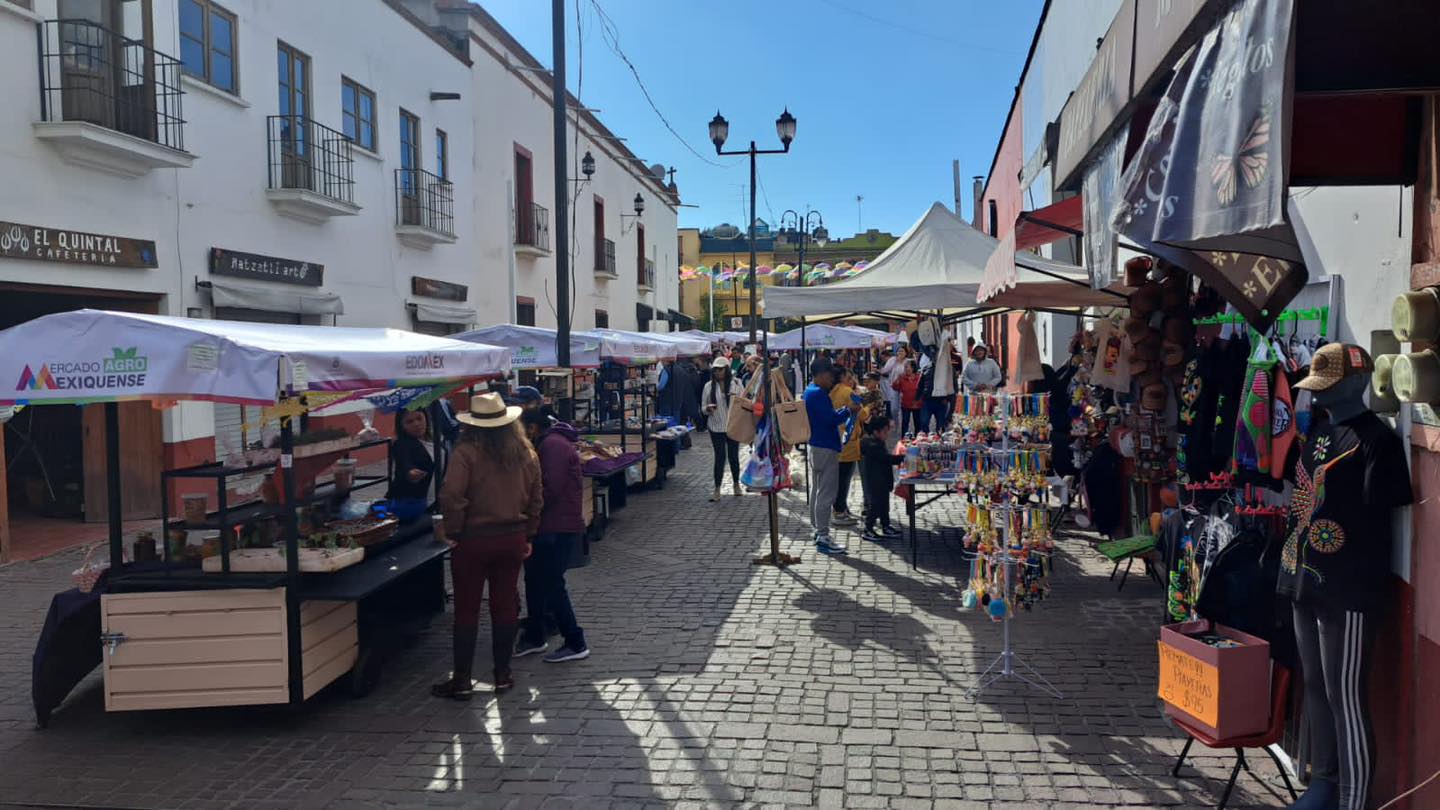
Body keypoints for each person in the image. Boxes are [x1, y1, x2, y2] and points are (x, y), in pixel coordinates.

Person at [433, 393, 543, 699]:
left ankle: (463, 680)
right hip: (512, 537)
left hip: (473, 539)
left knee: (467, 607)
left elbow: (452, 494)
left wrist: (454, 530)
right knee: (505, 604)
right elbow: (536, 498)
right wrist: (529, 534)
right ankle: (502, 675)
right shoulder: (525, 451)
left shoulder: (466, 452)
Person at [515, 409, 590, 663]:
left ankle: (575, 640)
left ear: (533, 428)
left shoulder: (552, 446)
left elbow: (550, 489)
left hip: (555, 527)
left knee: (552, 583)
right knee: (535, 581)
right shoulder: (550, 443)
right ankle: (535, 636)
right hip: (548, 526)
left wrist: (523, 506)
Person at [805, 357, 860, 555]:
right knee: (826, 493)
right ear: (821, 375)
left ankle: (817, 530)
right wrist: (848, 410)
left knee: (817, 491)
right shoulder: (818, 393)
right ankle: (823, 534)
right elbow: (830, 419)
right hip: (825, 446)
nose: (831, 380)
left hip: (816, 445)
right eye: (829, 376)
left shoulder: (810, 391)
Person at [701, 356, 745, 500]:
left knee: (733, 457)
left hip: (732, 426)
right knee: (720, 457)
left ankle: (736, 484)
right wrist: (707, 408)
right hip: (716, 426)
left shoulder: (736, 384)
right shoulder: (708, 386)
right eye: (715, 370)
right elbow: (702, 407)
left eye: (720, 369)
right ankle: (717, 489)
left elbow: (744, 403)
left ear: (726, 370)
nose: (717, 372)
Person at [859, 414, 904, 542]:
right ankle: (868, 528)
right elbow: (886, 459)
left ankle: (886, 525)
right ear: (876, 432)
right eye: (885, 431)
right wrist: (903, 458)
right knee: (875, 506)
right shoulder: (872, 446)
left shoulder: (878, 442)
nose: (887, 434)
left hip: (882, 479)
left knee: (884, 505)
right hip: (876, 480)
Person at [388, 408, 435, 522]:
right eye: (409, 422)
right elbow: (404, 462)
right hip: (411, 503)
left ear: (426, 418)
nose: (416, 424)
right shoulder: (401, 444)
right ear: (402, 426)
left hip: (434, 499)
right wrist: (410, 472)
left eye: (419, 418)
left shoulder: (436, 439)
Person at [829, 367, 862, 527]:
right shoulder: (847, 392)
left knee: (838, 478)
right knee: (844, 479)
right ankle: (839, 511)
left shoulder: (830, 391)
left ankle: (839, 507)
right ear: (842, 377)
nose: (852, 380)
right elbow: (861, 414)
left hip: (835, 439)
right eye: (849, 377)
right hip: (848, 440)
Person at [892, 360, 923, 436]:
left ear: (913, 368)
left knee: (918, 423)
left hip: (917, 404)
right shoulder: (902, 378)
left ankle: (917, 438)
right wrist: (897, 379)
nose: (905, 369)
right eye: (905, 367)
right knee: (905, 422)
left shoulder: (919, 377)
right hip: (905, 404)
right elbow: (895, 387)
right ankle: (904, 439)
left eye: (907, 367)